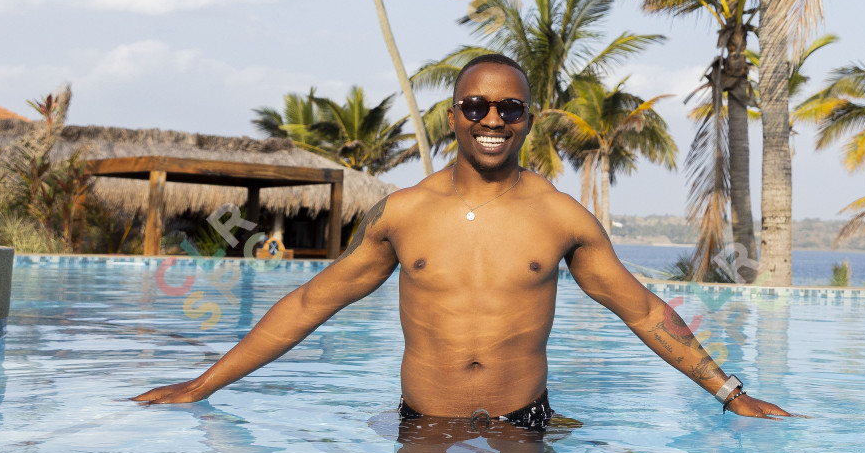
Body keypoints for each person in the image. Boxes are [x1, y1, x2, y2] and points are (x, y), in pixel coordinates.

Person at [134, 53, 790, 424]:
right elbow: (310, 304)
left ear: (527, 120)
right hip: (423, 424)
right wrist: (202, 385)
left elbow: (644, 311)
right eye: (476, 106)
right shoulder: (401, 214)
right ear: (454, 118)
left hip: (522, 423)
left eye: (509, 108)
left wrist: (730, 395)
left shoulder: (562, 218)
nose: (492, 119)